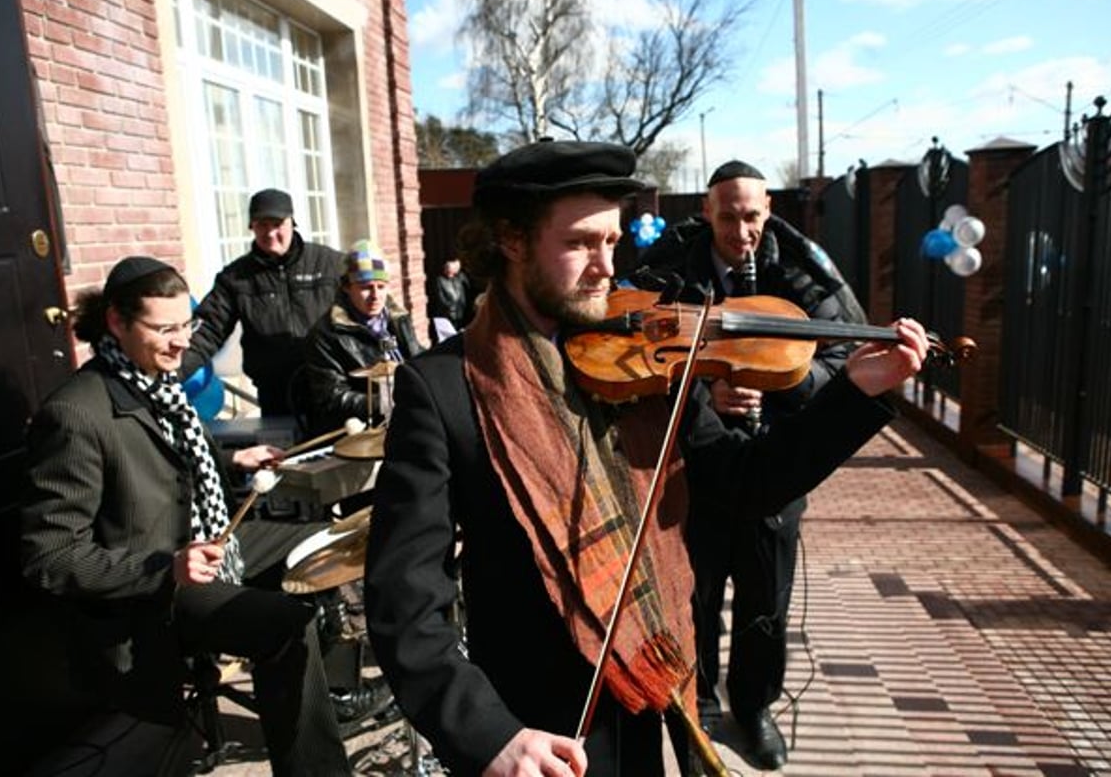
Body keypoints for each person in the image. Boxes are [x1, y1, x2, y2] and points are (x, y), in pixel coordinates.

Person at [363, 141, 929, 776]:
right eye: (581, 242)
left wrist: (853, 396)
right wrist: (489, 735)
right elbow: (403, 600)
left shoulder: (644, 361)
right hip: (536, 730)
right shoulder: (443, 390)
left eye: (614, 240)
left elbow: (742, 483)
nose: (607, 267)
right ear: (512, 241)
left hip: (648, 698)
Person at [19, 256, 357, 775]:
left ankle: (320, 692)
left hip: (207, 542)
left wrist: (229, 459)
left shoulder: (156, 384)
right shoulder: (76, 414)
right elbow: (50, 558)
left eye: (187, 325)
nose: (182, 342)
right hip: (155, 590)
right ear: (116, 322)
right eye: (164, 329)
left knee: (326, 540)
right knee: (286, 625)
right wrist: (164, 568)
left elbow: (166, 462)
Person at [631, 160, 867, 769]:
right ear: (706, 212)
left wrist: (781, 382)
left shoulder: (803, 270)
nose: (741, 231)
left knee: (767, 601)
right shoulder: (669, 265)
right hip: (697, 468)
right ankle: (702, 701)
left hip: (776, 465)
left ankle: (755, 705)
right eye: (728, 216)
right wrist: (706, 391)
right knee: (696, 596)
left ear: (769, 213)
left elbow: (844, 358)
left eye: (752, 217)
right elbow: (630, 346)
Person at [182, 188, 343, 416]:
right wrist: (171, 372)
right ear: (252, 227)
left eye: (277, 224)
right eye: (261, 225)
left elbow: (371, 308)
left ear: (292, 222)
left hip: (332, 388)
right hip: (276, 396)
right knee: (286, 451)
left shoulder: (330, 264)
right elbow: (207, 329)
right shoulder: (235, 278)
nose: (270, 233)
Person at [301, 238, 424, 436]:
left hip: (412, 416)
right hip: (365, 432)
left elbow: (417, 358)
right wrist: (386, 401)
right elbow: (331, 398)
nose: (376, 296)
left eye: (381, 286)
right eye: (366, 287)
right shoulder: (325, 335)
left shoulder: (399, 318)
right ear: (347, 287)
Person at [427, 256, 472, 342]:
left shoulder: (459, 277)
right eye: (448, 269)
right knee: (449, 337)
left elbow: (467, 289)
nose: (450, 273)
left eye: (452, 270)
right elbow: (440, 299)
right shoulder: (439, 280)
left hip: (461, 312)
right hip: (448, 314)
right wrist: (450, 307)